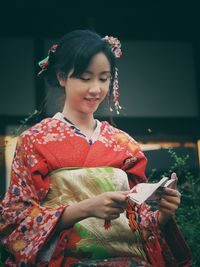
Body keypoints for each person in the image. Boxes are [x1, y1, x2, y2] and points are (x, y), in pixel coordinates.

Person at [0, 30, 192, 267]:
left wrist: (162, 216)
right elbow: (15, 219)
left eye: (103, 78)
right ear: (62, 77)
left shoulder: (125, 144)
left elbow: (135, 221)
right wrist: (83, 209)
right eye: (85, 77)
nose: (96, 89)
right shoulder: (35, 140)